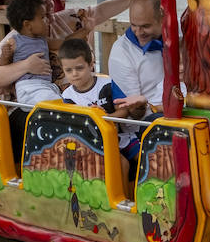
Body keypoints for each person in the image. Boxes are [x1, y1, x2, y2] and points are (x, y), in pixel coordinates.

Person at [0, 0, 144, 100]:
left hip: (82, 98)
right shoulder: (16, 39)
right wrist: (26, 65)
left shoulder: (67, 19)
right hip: (38, 105)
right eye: (42, 1)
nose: (50, 5)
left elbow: (99, 11)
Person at [58, 36, 148, 174]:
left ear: (91, 64)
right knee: (122, 164)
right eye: (69, 70)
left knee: (147, 159)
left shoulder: (106, 84)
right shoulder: (68, 97)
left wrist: (106, 117)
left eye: (79, 68)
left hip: (122, 138)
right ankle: (121, 196)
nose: (74, 74)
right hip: (94, 144)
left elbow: (124, 111)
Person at [107, 0, 166, 114]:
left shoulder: (178, 36)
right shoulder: (121, 52)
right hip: (148, 124)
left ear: (162, 17)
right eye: (134, 25)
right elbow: (132, 114)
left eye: (145, 26)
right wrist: (144, 106)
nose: (138, 33)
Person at [4, 0, 62, 105]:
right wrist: (5, 56)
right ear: (28, 25)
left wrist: (82, 32)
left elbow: (62, 42)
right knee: (55, 104)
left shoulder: (42, 40)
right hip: (29, 88)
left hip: (46, 86)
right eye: (42, 17)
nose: (47, 20)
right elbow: (1, 68)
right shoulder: (14, 41)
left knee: (62, 102)